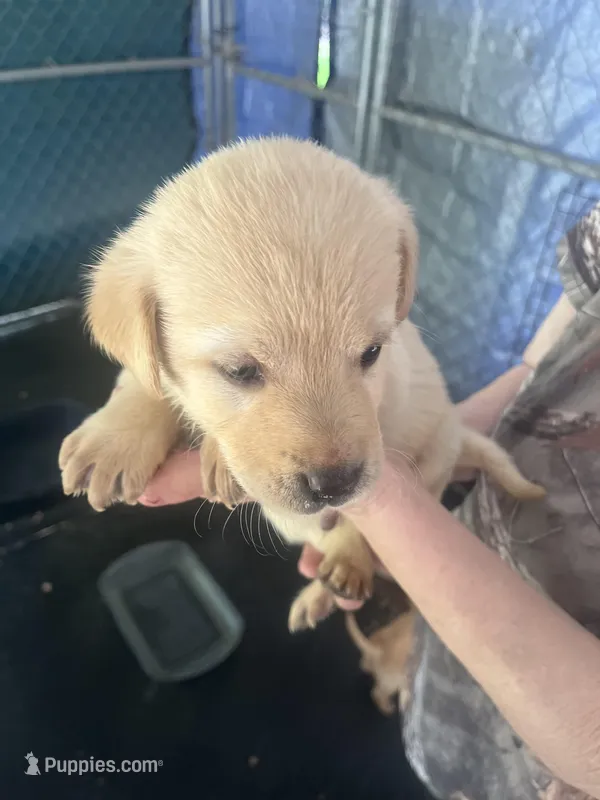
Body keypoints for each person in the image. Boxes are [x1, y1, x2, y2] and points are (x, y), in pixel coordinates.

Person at [139, 206, 600, 800]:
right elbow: (551, 363)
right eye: (243, 369)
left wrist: (382, 501)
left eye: (367, 352)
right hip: (457, 654)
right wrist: (438, 444)